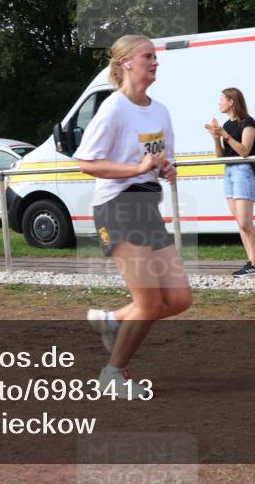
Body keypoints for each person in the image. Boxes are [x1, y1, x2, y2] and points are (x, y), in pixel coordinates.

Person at [77, 34, 191, 398]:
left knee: (178, 299)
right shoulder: (114, 107)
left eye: (155, 57)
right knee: (148, 303)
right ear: (126, 62)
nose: (154, 62)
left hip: (147, 206)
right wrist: (135, 169)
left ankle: (112, 319)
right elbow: (87, 163)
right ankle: (112, 375)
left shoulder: (160, 111)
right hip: (118, 206)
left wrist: (164, 170)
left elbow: (158, 161)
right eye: (147, 56)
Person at [205, 88, 255, 278]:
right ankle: (254, 263)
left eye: (221, 99)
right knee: (240, 223)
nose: (219, 103)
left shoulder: (247, 123)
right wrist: (216, 137)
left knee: (245, 223)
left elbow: (244, 151)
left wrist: (226, 135)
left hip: (244, 172)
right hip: (229, 172)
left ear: (231, 102)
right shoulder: (227, 124)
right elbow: (221, 155)